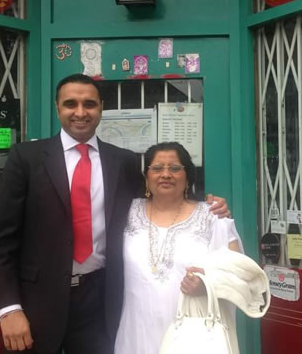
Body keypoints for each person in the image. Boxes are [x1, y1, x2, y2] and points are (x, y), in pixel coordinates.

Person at [0, 74, 229, 354]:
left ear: (101, 107)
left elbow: (153, 204)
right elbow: (0, 241)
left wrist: (204, 207)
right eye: (70, 104)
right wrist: (8, 308)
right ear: (57, 108)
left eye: (89, 104)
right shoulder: (26, 157)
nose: (80, 112)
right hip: (37, 303)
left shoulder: (122, 161)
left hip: (101, 302)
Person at [114, 142, 268, 354]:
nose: (166, 174)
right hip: (136, 331)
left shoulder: (212, 217)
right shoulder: (126, 212)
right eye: (157, 168)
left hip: (193, 333)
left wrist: (207, 283)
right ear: (146, 177)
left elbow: (239, 273)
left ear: (187, 177)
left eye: (175, 168)